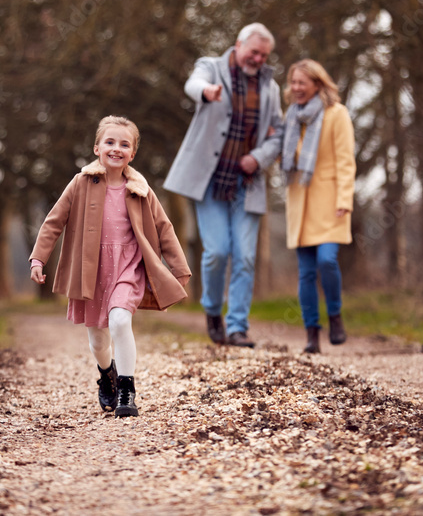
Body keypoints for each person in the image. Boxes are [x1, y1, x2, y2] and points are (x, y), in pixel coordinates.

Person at [30, 116, 191, 417]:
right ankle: (108, 375)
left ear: (133, 153)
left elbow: (164, 228)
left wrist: (179, 270)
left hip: (128, 267)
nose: (116, 148)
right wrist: (38, 258)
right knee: (98, 340)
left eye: (124, 144)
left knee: (119, 322)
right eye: (110, 142)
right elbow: (54, 222)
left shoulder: (140, 189)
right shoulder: (81, 183)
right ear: (97, 148)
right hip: (90, 270)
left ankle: (127, 391)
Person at [164, 23, 284, 348]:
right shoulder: (212, 67)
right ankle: (213, 311)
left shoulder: (270, 89)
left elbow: (279, 132)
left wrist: (258, 157)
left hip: (248, 182)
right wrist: (205, 92)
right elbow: (193, 82)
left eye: (263, 55)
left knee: (245, 256)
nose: (257, 59)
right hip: (210, 181)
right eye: (253, 52)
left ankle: (238, 327)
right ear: (238, 44)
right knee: (217, 252)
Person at [281, 59, 356, 354]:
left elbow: (345, 160)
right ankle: (312, 332)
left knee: (327, 260)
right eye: (293, 83)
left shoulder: (336, 114)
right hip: (299, 200)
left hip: (329, 200)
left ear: (317, 84)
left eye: (302, 82)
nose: (296, 88)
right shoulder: (290, 118)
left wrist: (344, 199)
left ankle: (335, 316)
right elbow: (285, 156)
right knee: (306, 272)